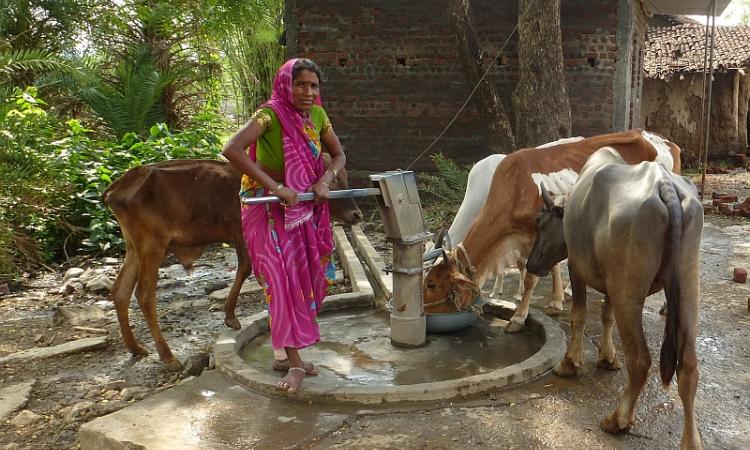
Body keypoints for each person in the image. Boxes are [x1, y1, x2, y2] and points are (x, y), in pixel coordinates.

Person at [222, 58, 346, 393]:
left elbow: (339, 156)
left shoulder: (318, 116)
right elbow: (231, 148)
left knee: (304, 278)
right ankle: (294, 363)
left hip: (304, 206)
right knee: (281, 279)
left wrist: (324, 181)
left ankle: (283, 355)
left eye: (314, 85)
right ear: (285, 85)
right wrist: (275, 187)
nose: (308, 92)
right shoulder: (270, 114)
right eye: (300, 84)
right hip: (266, 206)